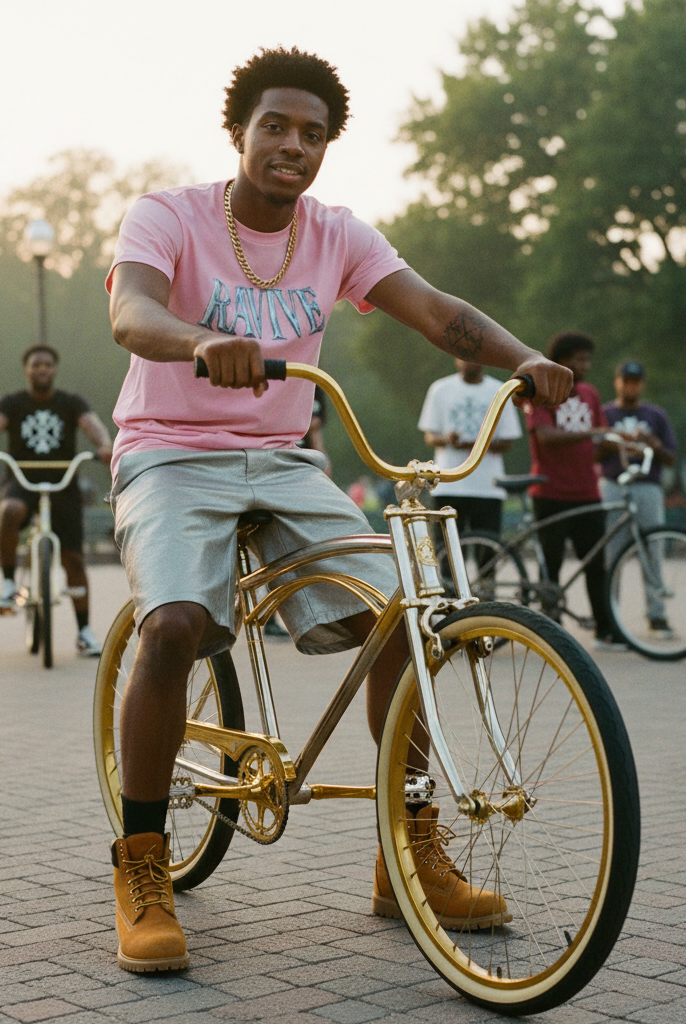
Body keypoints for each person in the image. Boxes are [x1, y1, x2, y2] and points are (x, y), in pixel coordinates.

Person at [103, 46, 572, 973]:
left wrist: (523, 357)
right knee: (174, 627)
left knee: (405, 615)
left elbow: (440, 312)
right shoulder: (167, 216)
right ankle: (143, 863)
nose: (292, 145)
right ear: (239, 132)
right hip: (169, 451)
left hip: (284, 459)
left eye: (312, 135)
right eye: (275, 126)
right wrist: (205, 342)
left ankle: (407, 851)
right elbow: (132, 315)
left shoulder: (339, 234)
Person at [0, 344, 114, 656]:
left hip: (63, 483)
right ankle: (9, 584)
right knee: (9, 509)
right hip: (22, 480)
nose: (42, 369)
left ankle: (84, 631)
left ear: (55, 369)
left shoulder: (71, 402)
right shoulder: (12, 402)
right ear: (27, 370)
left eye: (47, 364)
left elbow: (93, 425)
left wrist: (105, 444)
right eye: (36, 364)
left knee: (73, 558)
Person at [526, 331, 621, 649]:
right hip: (550, 492)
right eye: (580, 359)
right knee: (550, 565)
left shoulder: (590, 394)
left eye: (588, 359)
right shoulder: (544, 392)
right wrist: (590, 432)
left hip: (587, 491)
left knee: (596, 564)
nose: (586, 365)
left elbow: (599, 438)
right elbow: (546, 436)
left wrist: (617, 442)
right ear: (562, 362)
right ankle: (551, 630)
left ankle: (606, 628)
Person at [599, 360, 678, 636]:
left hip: (647, 486)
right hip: (613, 484)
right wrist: (613, 441)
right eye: (625, 380)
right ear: (616, 382)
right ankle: (610, 617)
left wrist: (653, 444)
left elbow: (671, 458)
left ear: (641, 384)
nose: (630, 386)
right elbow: (592, 454)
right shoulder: (605, 413)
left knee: (652, 549)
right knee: (612, 553)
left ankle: (656, 615)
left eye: (635, 381)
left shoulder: (655, 416)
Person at [418, 358, 523, 537]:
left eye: (473, 358)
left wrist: (474, 444)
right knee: (448, 551)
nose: (468, 363)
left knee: (487, 551)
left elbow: (506, 442)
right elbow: (430, 436)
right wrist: (447, 439)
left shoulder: (499, 390)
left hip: (487, 486)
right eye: (462, 357)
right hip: (448, 483)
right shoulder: (440, 389)